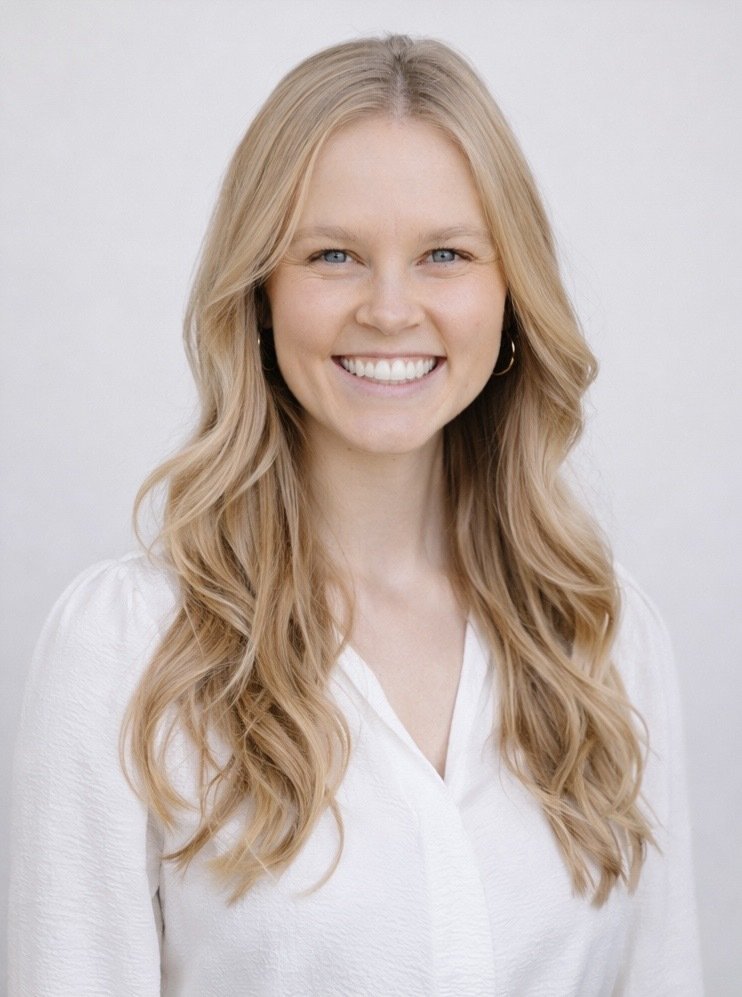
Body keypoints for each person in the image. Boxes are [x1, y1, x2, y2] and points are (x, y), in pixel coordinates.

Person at [8, 34, 702, 995]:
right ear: (261, 292)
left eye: (445, 255)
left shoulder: (605, 636)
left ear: (510, 294)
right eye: (333, 254)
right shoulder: (127, 651)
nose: (389, 308)